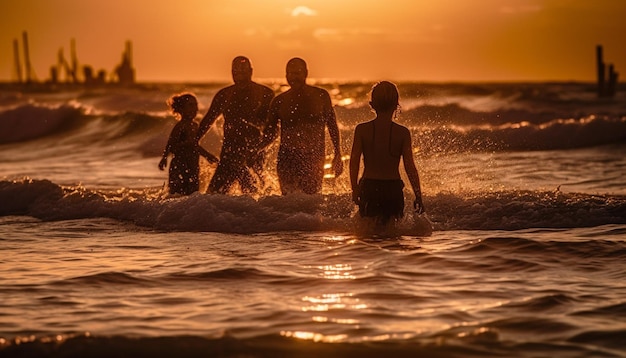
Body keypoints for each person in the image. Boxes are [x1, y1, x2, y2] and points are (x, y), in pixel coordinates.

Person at [260, 57, 343, 195]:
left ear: (306, 73)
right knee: (289, 204)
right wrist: (257, 150)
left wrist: (338, 154)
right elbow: (270, 133)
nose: (294, 77)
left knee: (310, 202)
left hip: (313, 158)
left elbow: (332, 125)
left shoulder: (321, 96)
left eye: (297, 73)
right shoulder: (279, 101)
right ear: (286, 75)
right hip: (287, 159)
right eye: (290, 73)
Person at [349, 81, 425, 226]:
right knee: (393, 234)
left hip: (369, 187)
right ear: (396, 104)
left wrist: (355, 189)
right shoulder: (402, 133)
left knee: (367, 233)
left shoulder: (362, 130)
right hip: (393, 188)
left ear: (372, 104)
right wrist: (418, 195)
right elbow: (410, 167)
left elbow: (354, 162)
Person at [197, 56, 275, 194]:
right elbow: (208, 120)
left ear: (251, 71)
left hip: (254, 153)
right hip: (229, 152)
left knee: (253, 195)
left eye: (243, 71)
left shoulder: (265, 94)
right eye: (235, 71)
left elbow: (273, 130)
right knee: (213, 195)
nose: (239, 74)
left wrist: (257, 149)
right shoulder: (224, 95)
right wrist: (194, 142)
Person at [159, 93, 218, 195]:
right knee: (176, 194)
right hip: (180, 165)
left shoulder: (195, 125)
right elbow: (172, 142)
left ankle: (189, 210)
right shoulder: (181, 126)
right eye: (190, 105)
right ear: (181, 109)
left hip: (193, 165)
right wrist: (164, 157)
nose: (195, 108)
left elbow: (193, 144)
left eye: (196, 105)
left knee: (193, 193)